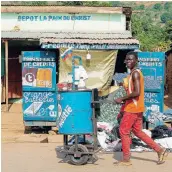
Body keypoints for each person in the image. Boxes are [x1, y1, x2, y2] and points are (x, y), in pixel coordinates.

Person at [114, 51, 168, 166]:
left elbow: (136, 92)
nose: (128, 61)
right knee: (137, 131)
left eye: (131, 59)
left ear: (136, 61)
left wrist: (121, 98)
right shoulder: (133, 73)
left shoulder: (135, 74)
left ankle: (126, 159)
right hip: (135, 107)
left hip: (133, 108)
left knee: (123, 131)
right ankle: (159, 150)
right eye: (127, 59)